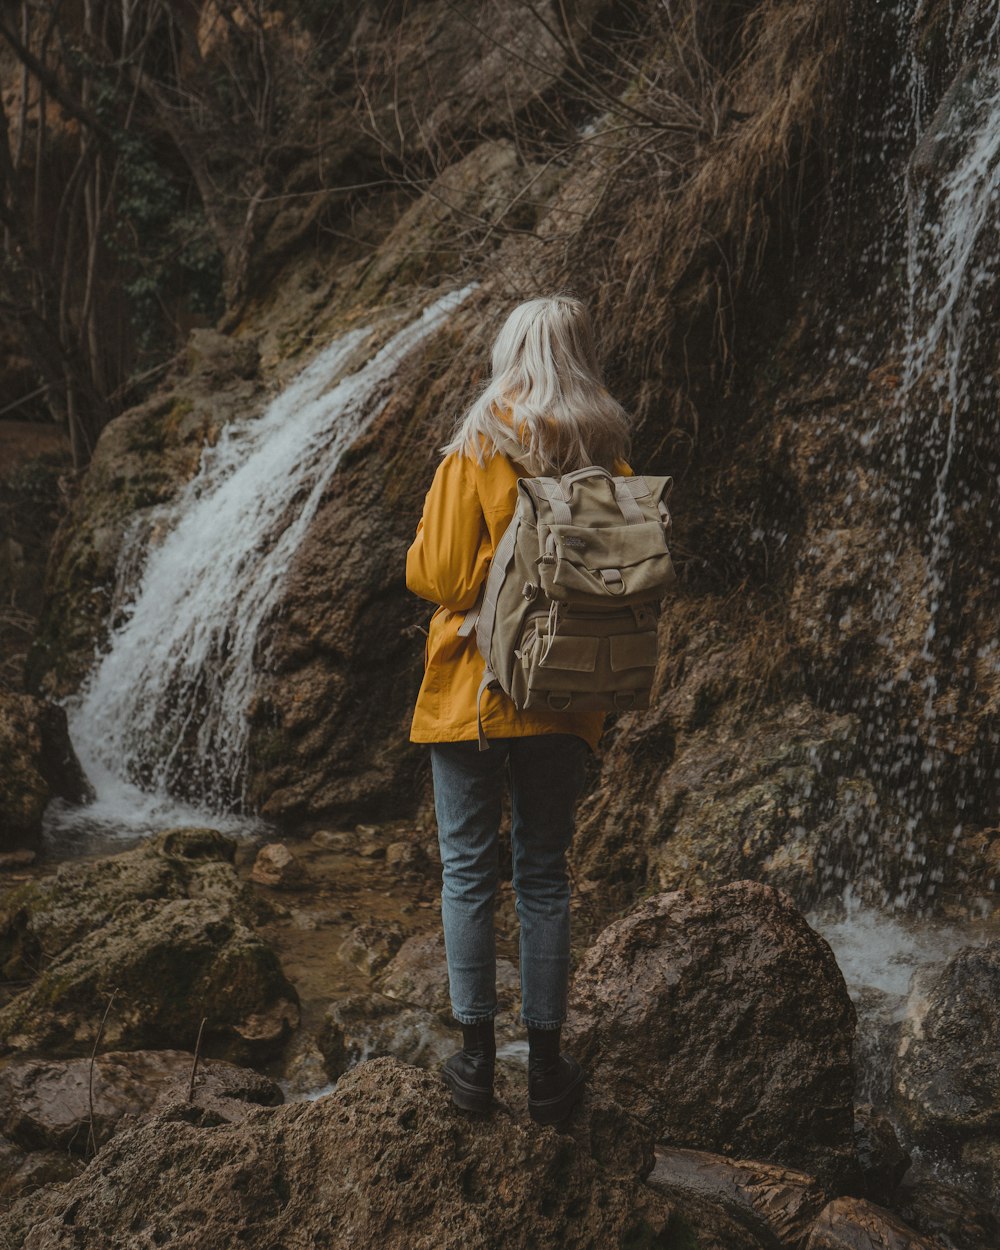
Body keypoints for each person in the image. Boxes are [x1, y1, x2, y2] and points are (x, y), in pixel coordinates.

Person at [405, 294, 632, 1125]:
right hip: (567, 692)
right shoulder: (609, 453)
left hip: (476, 690)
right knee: (544, 874)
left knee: (468, 870)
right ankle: (545, 1071)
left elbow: (438, 575)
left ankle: (472, 1067)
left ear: (511, 352)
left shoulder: (480, 442)